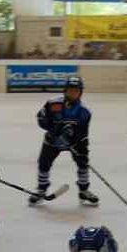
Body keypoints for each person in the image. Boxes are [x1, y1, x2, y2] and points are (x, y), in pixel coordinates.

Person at [31, 76, 97, 207]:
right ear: (65, 90)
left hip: (74, 143)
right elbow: (41, 118)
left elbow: (83, 133)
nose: (73, 93)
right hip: (52, 141)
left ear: (80, 92)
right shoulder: (53, 104)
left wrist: (79, 145)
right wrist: (53, 129)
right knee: (44, 164)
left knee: (83, 164)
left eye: (76, 91)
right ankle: (41, 190)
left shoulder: (84, 112)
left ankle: (84, 191)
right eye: (70, 90)